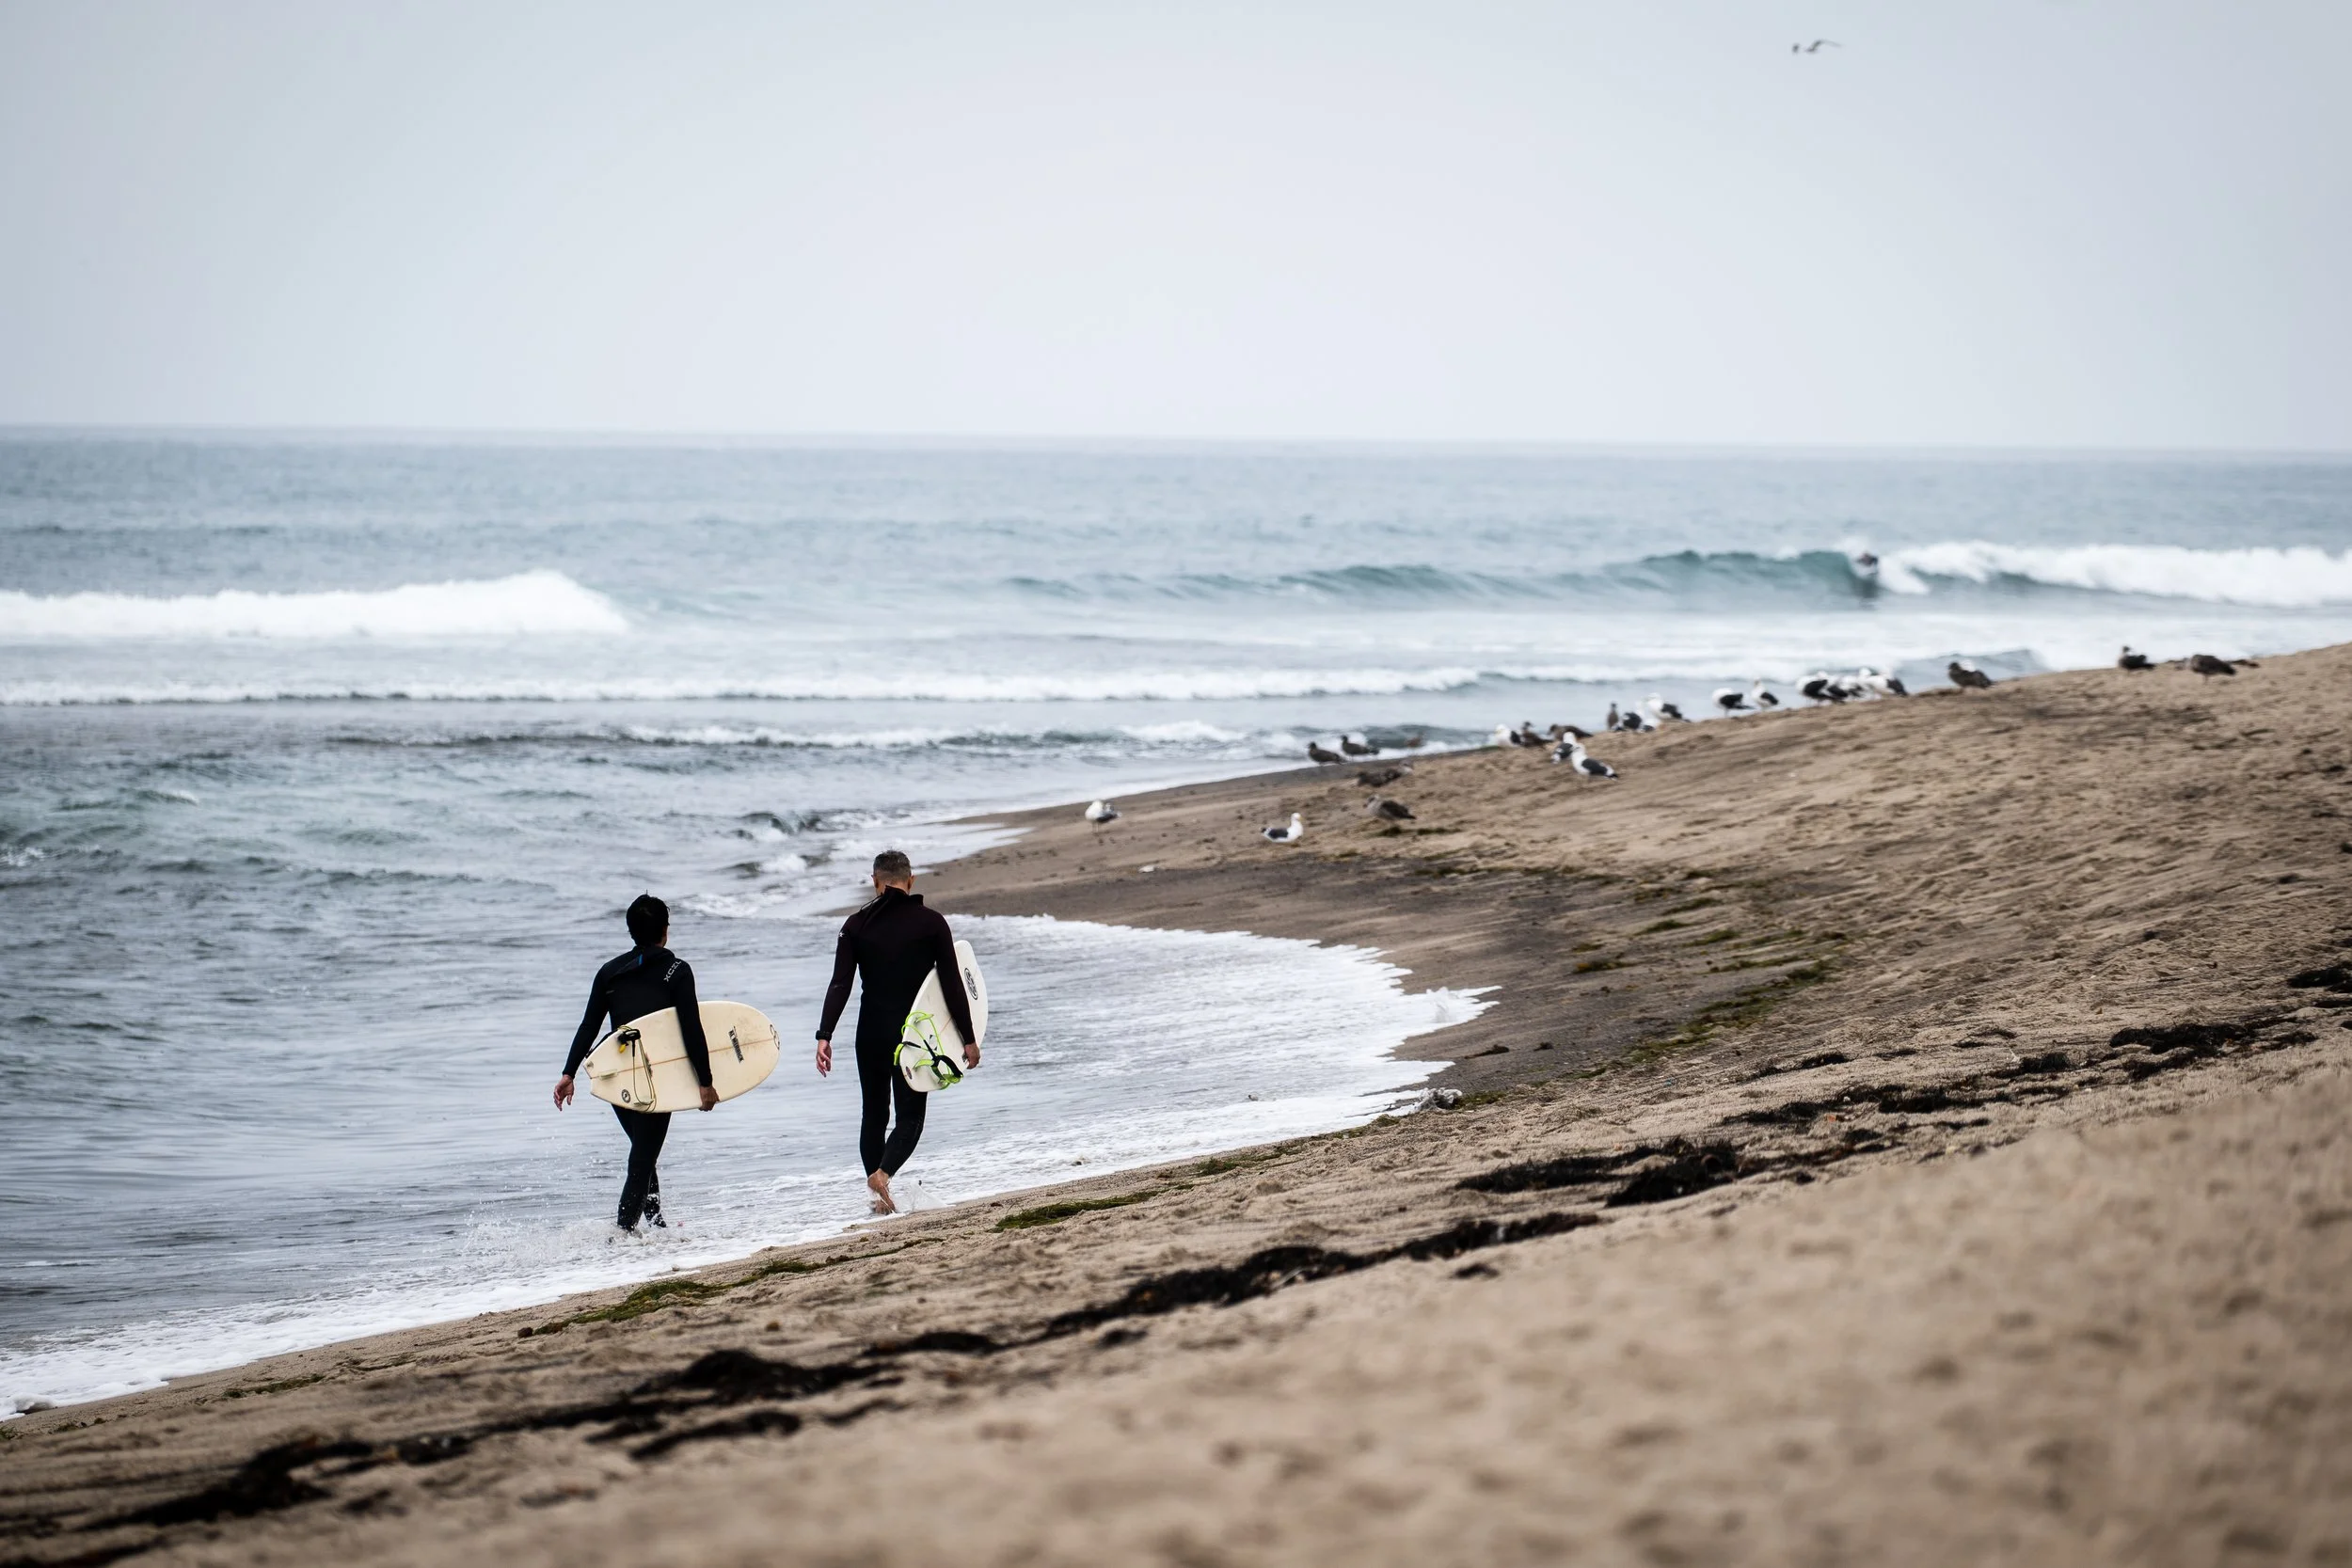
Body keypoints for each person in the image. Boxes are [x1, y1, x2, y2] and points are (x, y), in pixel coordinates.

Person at [816, 850, 979, 1214]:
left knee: (873, 1114)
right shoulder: (932, 922)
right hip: (913, 1038)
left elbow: (839, 984)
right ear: (911, 880)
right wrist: (968, 1038)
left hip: (870, 1032)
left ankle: (878, 1200)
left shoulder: (855, 925)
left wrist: (824, 1034)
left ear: (875, 881)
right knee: (910, 1117)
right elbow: (952, 984)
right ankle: (883, 1175)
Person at [553, 894, 718, 1231]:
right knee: (644, 1155)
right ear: (664, 931)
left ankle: (656, 1225)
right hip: (658, 1076)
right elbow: (691, 1029)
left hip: (617, 1074)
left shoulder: (610, 972)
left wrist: (569, 1073)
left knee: (644, 1150)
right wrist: (705, 1081)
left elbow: (589, 1025)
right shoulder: (677, 971)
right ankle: (623, 1235)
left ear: (632, 932)